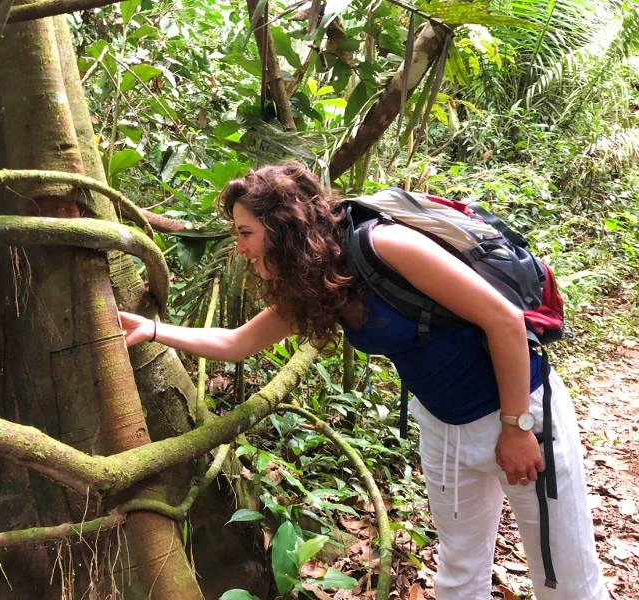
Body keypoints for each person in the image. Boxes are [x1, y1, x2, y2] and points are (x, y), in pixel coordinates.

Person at [119, 163, 606, 599]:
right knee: (459, 574)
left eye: (245, 232)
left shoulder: (382, 245)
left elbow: (504, 320)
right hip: (443, 426)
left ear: (280, 226)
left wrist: (517, 428)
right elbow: (237, 343)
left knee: (563, 579)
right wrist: (153, 329)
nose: (240, 246)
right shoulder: (317, 281)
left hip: (519, 413)